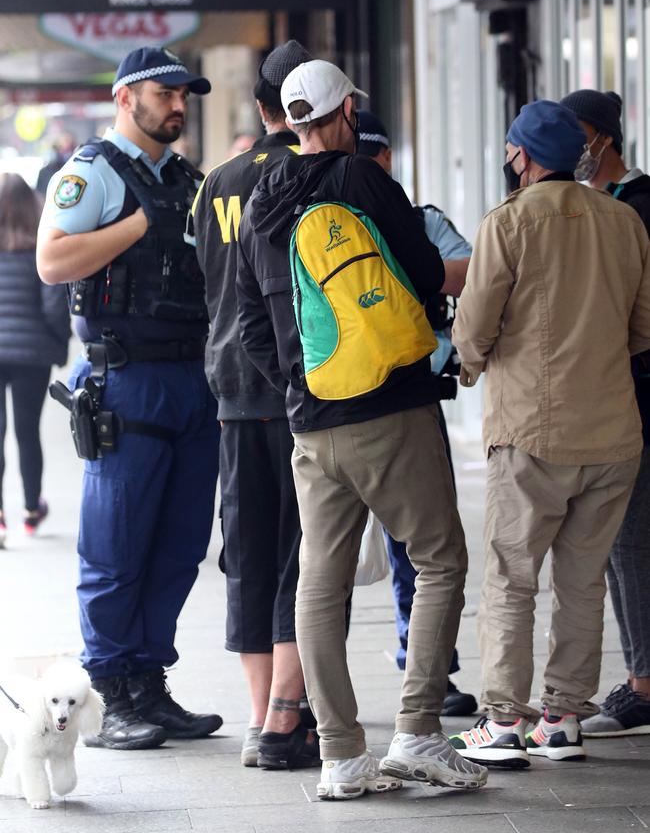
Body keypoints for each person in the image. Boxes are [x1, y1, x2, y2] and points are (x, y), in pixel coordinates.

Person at [236, 59, 488, 800]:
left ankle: (342, 756)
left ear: (288, 118)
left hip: (311, 422)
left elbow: (251, 321)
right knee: (440, 556)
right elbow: (421, 274)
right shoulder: (364, 180)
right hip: (393, 408)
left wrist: (299, 380)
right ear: (345, 111)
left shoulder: (261, 204)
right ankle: (417, 732)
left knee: (320, 581)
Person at [450, 99, 650, 767]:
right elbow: (645, 328)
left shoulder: (509, 221)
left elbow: (474, 327)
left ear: (523, 156)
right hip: (614, 433)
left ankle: (503, 723)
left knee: (510, 577)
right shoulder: (623, 220)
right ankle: (563, 719)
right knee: (583, 581)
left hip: (533, 432)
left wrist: (472, 366)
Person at [36, 47, 221, 750]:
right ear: (125, 99)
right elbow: (52, 261)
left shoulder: (187, 178)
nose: (178, 105)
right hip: (126, 379)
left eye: (184, 95)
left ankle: (149, 682)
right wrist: (140, 225)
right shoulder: (93, 173)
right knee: (116, 548)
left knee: (178, 545)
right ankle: (110, 696)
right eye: (164, 93)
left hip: (191, 378)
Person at [192, 39, 320, 770]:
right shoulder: (323, 175)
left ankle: (257, 714)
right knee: (303, 555)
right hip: (305, 389)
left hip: (234, 392)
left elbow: (207, 282)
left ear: (261, 107)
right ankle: (285, 714)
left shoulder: (217, 181)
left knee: (248, 553)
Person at [356, 111, 476, 715]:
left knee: (423, 546)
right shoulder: (325, 226)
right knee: (326, 559)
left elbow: (468, 274)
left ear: (385, 162)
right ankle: (295, 694)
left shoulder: (422, 221)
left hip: (417, 400)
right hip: (344, 402)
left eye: (373, 160)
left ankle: (429, 669)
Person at [559, 89, 650, 738]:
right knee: (621, 543)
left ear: (603, 137)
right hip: (610, 394)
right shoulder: (593, 206)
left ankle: (645, 683)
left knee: (631, 541)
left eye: (578, 134)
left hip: (637, 395)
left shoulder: (637, 204)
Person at [0, 173, 69, 548]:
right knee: (28, 433)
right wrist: (58, 344)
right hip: (31, 355)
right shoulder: (39, 249)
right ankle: (30, 509)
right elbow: (54, 306)